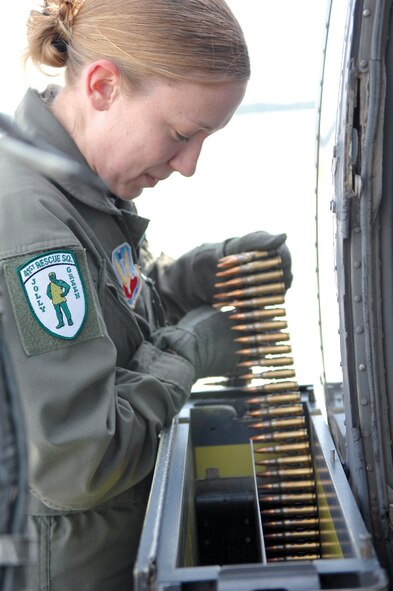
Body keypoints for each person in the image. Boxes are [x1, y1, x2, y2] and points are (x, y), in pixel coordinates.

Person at [0, 0, 292, 589]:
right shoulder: (30, 225)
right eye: (182, 134)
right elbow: (84, 463)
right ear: (104, 86)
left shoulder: (82, 187)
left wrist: (192, 278)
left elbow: (111, 321)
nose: (188, 165)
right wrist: (189, 354)